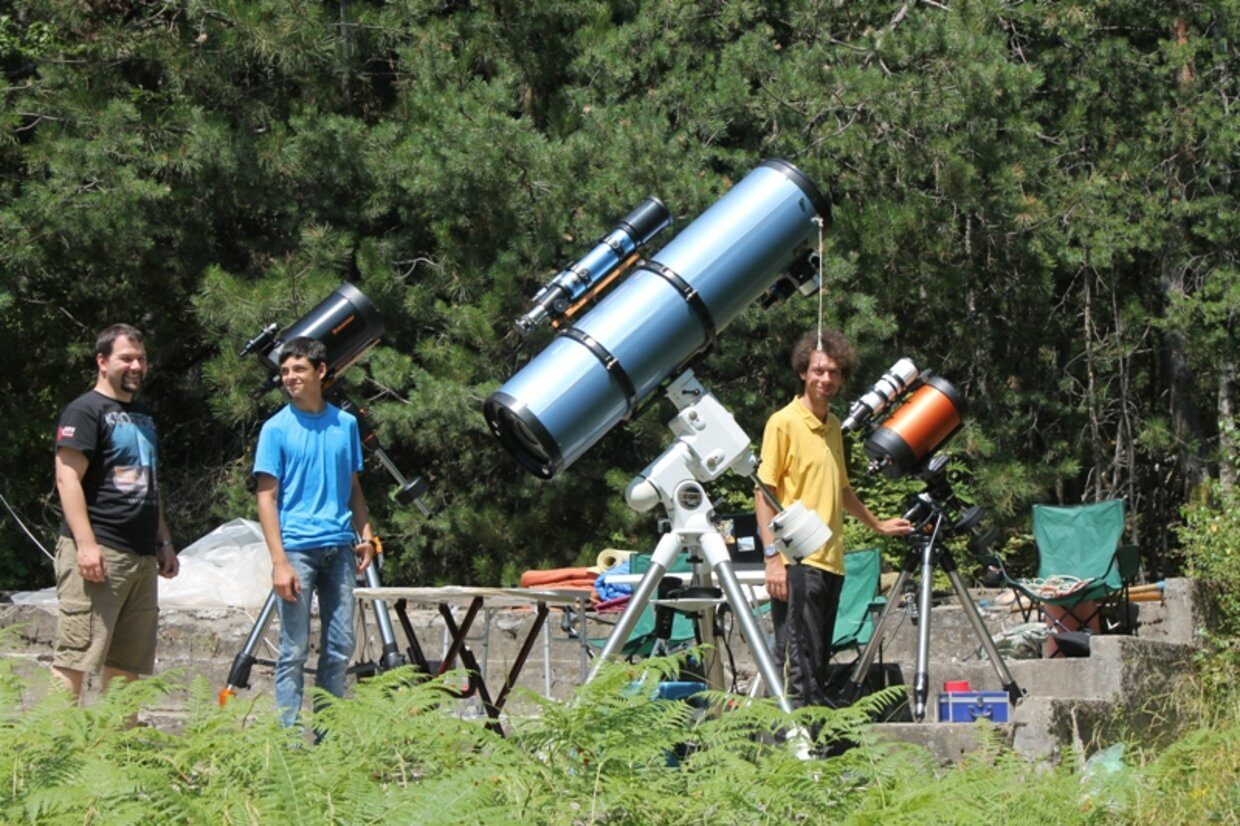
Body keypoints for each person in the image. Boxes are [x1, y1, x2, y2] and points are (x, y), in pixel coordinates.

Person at [755, 330, 912, 708]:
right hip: (797, 560)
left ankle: (811, 737)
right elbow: (763, 491)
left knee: (817, 663)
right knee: (797, 664)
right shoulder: (783, 422)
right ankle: (790, 738)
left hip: (831, 562)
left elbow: (841, 490)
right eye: (818, 370)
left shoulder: (833, 428)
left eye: (834, 372)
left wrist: (877, 524)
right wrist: (772, 557)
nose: (825, 379)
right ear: (803, 372)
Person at [52, 323, 180, 701]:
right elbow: (67, 479)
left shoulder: (143, 415)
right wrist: (86, 546)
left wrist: (163, 542)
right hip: (100, 552)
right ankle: (50, 737)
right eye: (126, 358)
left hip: (141, 556)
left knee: (127, 665)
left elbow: (148, 481)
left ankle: (119, 739)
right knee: (76, 657)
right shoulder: (84, 411)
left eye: (141, 358)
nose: (136, 366)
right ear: (102, 361)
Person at [253, 336, 375, 728]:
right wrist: (279, 562)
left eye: (298, 369)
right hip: (297, 551)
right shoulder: (275, 429)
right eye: (284, 371)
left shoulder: (346, 424)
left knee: (339, 647)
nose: (289, 377)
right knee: (292, 650)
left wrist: (366, 534)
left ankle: (327, 737)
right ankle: (289, 741)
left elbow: (353, 487)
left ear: (320, 371)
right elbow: (266, 497)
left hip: (340, 548)